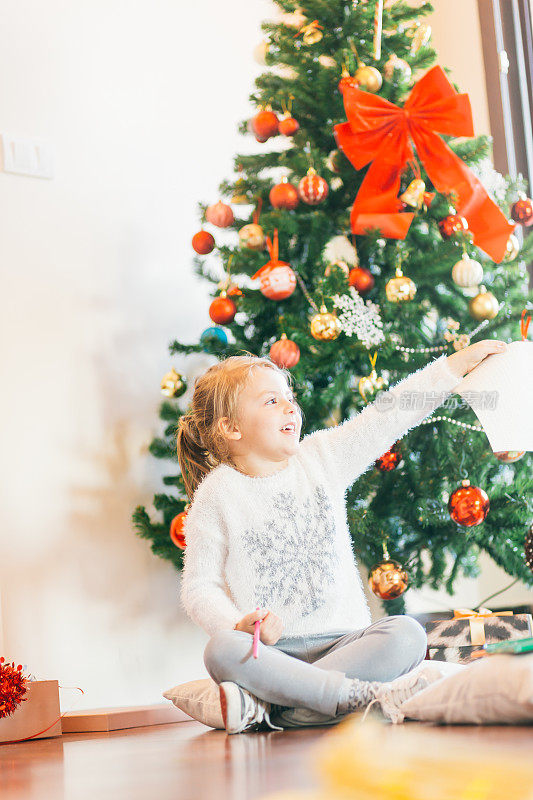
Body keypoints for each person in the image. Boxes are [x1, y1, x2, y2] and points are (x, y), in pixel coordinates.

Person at [177, 340, 507, 734]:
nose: (290, 408)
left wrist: (451, 367)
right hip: (270, 654)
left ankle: (278, 708)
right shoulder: (216, 494)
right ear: (230, 427)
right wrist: (237, 624)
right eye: (270, 401)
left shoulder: (320, 458)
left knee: (406, 633)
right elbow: (200, 587)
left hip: (347, 646)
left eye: (289, 398)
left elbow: (386, 416)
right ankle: (339, 698)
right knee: (220, 650)